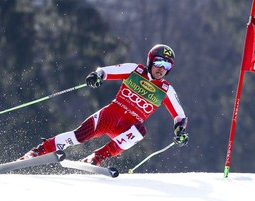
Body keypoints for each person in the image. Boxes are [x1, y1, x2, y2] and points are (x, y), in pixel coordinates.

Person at [19, 44, 189, 166]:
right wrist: (97, 76)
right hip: (109, 116)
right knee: (79, 136)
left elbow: (179, 116)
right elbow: (106, 71)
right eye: (159, 63)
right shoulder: (135, 70)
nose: (162, 68)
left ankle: (96, 158)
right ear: (150, 62)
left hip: (127, 126)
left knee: (140, 131)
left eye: (167, 66)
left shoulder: (166, 90)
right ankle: (38, 151)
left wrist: (180, 131)